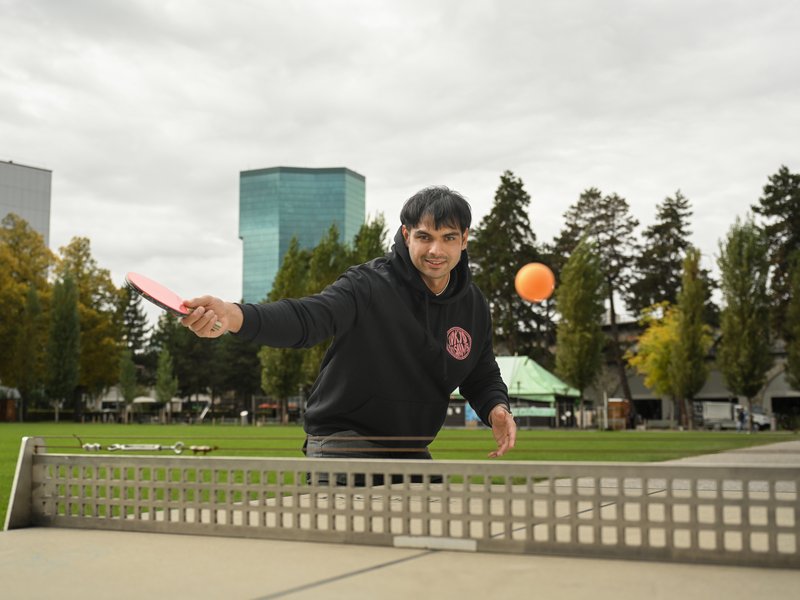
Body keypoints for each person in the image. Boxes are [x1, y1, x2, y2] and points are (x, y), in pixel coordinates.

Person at [181, 186, 517, 464]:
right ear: (406, 234)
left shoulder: (472, 304)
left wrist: (496, 408)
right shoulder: (368, 284)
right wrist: (232, 315)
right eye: (424, 236)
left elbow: (481, 373)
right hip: (344, 440)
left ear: (464, 239)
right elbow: (307, 318)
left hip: (411, 448)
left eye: (448, 237)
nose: (435, 250)